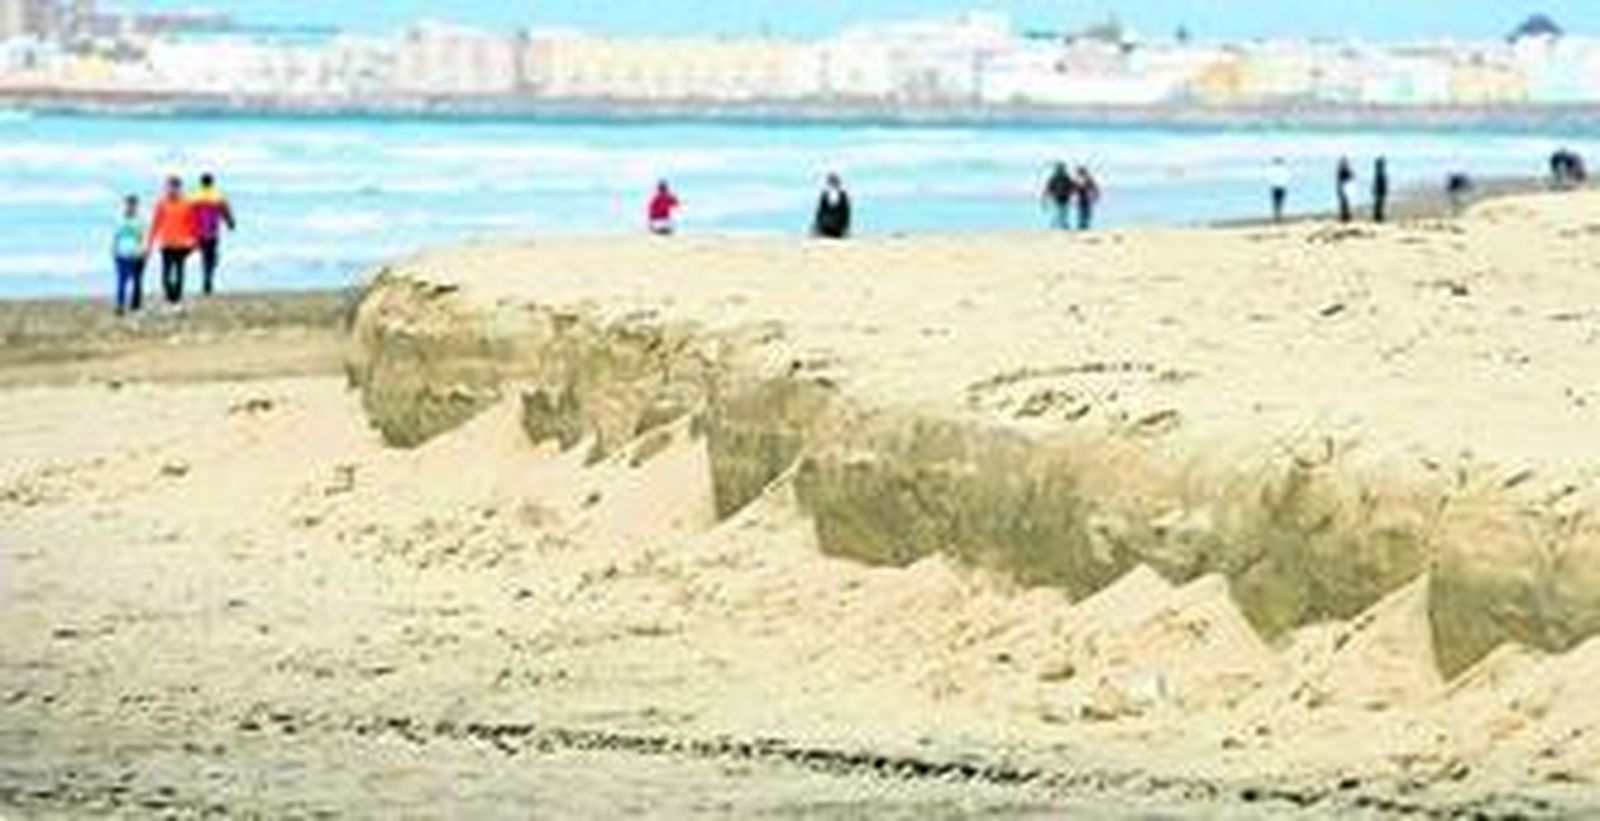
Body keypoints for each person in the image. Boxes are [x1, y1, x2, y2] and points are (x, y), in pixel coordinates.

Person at [148, 175, 198, 309]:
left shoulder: (187, 204)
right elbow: (155, 224)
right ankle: (171, 297)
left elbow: (192, 223)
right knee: (165, 276)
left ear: (179, 188)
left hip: (182, 244)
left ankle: (176, 299)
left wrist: (194, 240)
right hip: (166, 244)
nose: (172, 190)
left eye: (175, 187)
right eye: (170, 187)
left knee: (180, 273)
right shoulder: (161, 204)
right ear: (167, 188)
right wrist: (150, 242)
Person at [192, 172, 236, 296]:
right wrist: (230, 223)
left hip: (199, 232)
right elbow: (225, 210)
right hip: (213, 231)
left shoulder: (195, 196)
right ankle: (208, 277)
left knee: (204, 256)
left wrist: (189, 229)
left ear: (201, 183)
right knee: (211, 256)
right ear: (212, 183)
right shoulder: (217, 196)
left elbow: (190, 214)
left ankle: (206, 277)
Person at [111, 194, 147, 316]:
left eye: (134, 205)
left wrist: (142, 251)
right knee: (122, 280)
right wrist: (114, 250)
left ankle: (135, 305)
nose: (131, 207)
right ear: (125, 205)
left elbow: (142, 237)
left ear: (136, 206)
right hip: (121, 254)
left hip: (135, 254)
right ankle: (120, 305)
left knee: (136, 281)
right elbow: (115, 236)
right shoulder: (119, 219)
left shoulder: (140, 220)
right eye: (129, 204)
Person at [813, 173, 851, 239]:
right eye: (831, 182)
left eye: (834, 182)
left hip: (837, 226)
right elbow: (820, 212)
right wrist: (817, 225)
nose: (833, 184)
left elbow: (846, 212)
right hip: (827, 225)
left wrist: (845, 227)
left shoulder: (842, 195)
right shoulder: (825, 195)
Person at [1042, 162, 1077, 230]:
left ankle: (1062, 227)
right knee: (1058, 214)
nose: (1061, 170)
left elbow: (1073, 187)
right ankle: (1057, 227)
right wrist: (1044, 198)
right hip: (1057, 199)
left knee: (1062, 214)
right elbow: (1048, 189)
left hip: (1064, 199)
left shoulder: (1066, 178)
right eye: (1060, 168)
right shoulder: (1054, 178)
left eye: (1061, 168)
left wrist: (1071, 194)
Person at [1073, 165, 1100, 231]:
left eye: (1079, 172)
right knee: (1083, 212)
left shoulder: (1087, 180)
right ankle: (1082, 225)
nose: (1079, 174)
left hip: (1086, 198)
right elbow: (1074, 189)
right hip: (1082, 198)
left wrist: (1096, 195)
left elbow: (1094, 188)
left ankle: (1084, 225)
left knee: (1085, 212)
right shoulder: (1078, 180)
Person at [1269, 157, 1290, 223]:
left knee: (1276, 202)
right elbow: (1287, 178)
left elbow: (1270, 178)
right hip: (1282, 186)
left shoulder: (1272, 170)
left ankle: (1276, 216)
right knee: (1280, 202)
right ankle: (1279, 216)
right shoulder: (1285, 169)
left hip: (1275, 187)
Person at [1336, 158, 1356, 224]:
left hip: (1343, 189)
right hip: (1344, 189)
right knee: (1345, 205)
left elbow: (1350, 176)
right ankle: (1345, 218)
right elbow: (1351, 176)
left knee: (1345, 205)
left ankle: (1345, 218)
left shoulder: (1341, 171)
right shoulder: (1343, 171)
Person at [1372, 157, 1390, 224]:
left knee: (1379, 204)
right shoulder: (1380, 172)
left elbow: (1378, 183)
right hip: (1380, 191)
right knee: (1379, 204)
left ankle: (1378, 217)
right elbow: (1381, 183)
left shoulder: (1378, 172)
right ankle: (1378, 218)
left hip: (1379, 191)